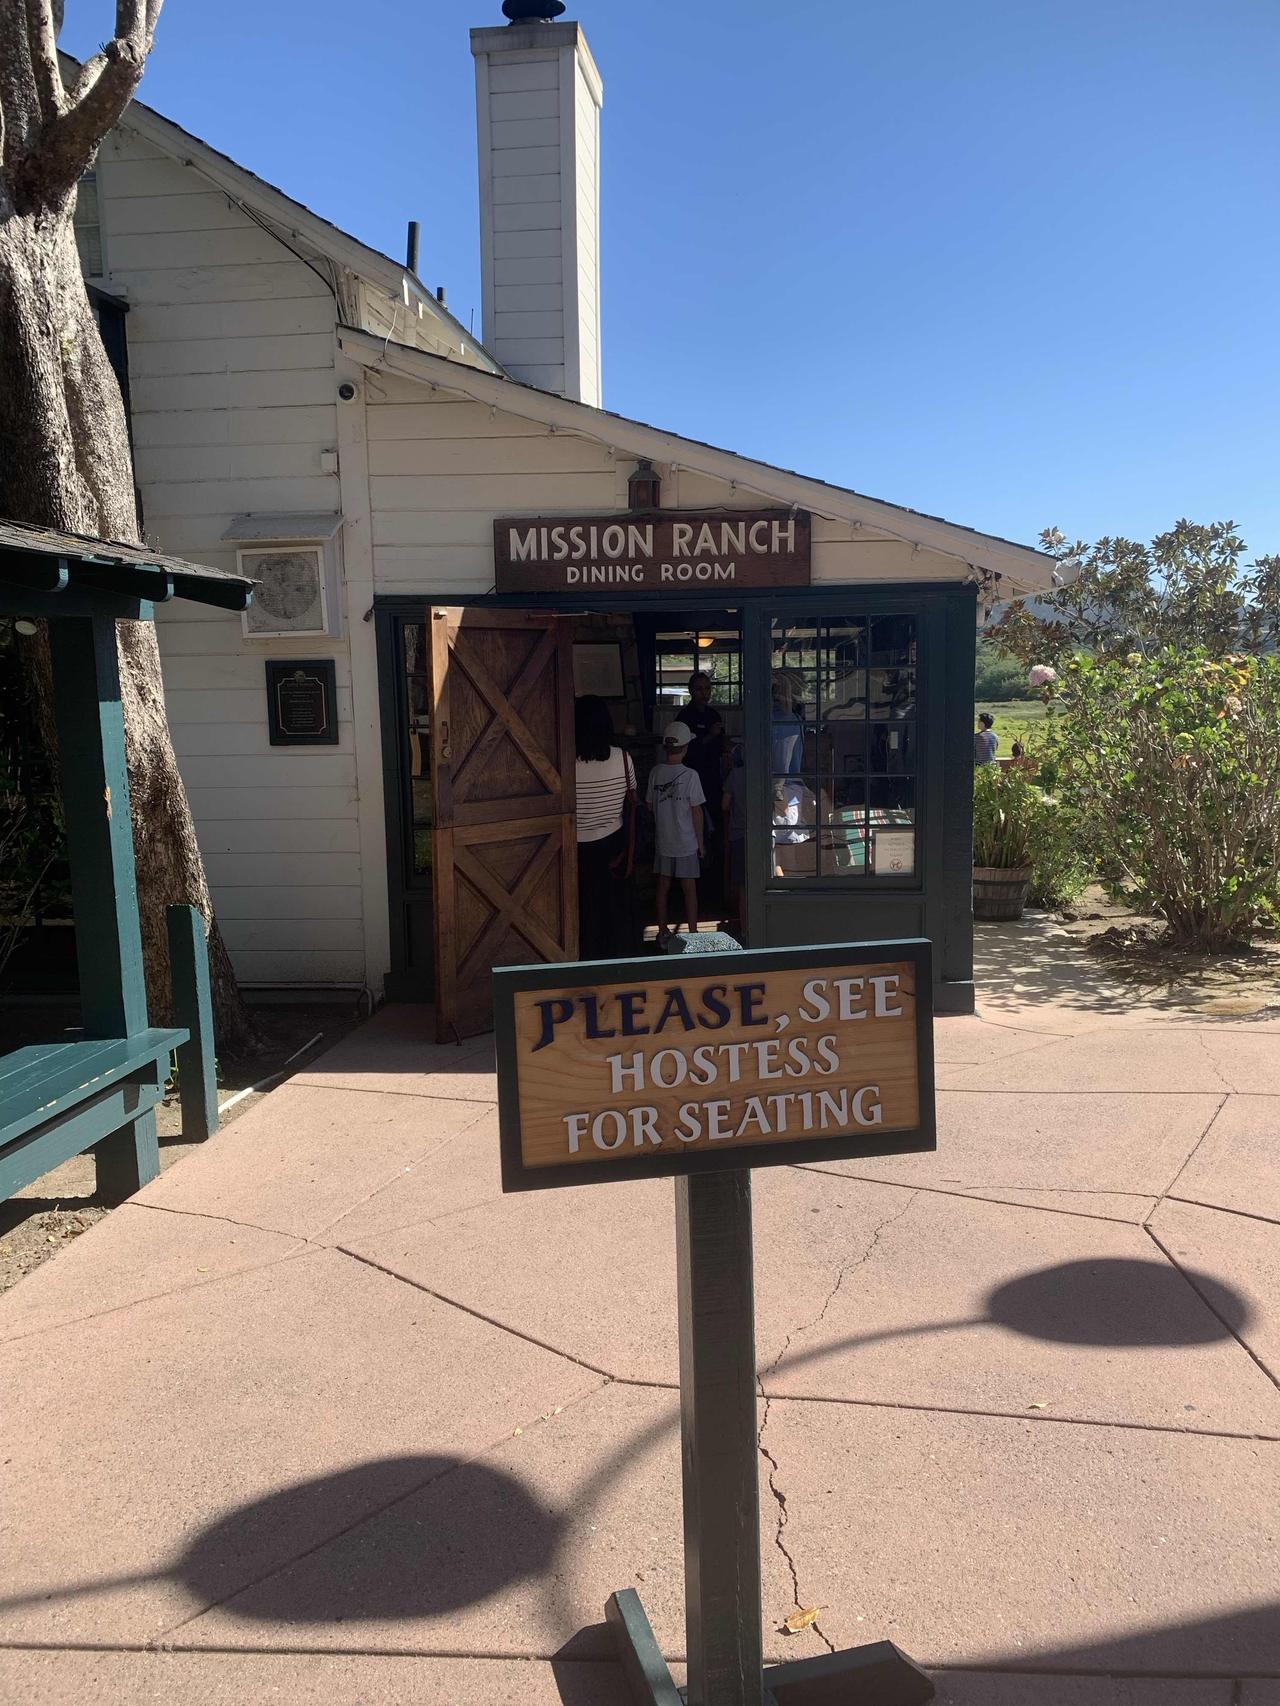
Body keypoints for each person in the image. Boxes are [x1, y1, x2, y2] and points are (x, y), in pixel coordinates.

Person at [574, 695, 637, 959]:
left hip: (576, 849)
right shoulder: (623, 759)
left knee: (584, 912)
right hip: (614, 845)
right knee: (614, 912)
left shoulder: (565, 764)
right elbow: (632, 800)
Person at [646, 720, 705, 944]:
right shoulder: (691, 775)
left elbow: (649, 805)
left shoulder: (655, 772)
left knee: (663, 887)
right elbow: (697, 812)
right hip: (686, 841)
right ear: (686, 748)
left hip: (664, 840)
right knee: (689, 889)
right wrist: (701, 843)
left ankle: (662, 931)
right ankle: (693, 933)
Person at [721, 742, 747, 933]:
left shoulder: (734, 775)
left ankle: (745, 929)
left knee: (742, 886)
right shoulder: (763, 773)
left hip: (738, 834)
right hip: (761, 835)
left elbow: (724, 805)